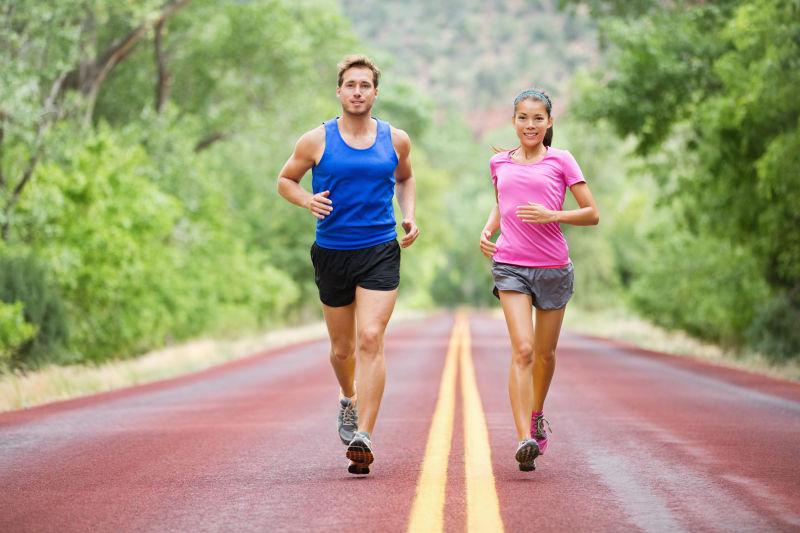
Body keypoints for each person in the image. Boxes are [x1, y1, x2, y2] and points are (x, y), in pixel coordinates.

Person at [277, 55, 419, 475]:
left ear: (376, 92)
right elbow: (285, 180)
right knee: (342, 349)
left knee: (371, 337)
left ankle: (365, 435)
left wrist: (408, 213)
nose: (357, 92)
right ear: (339, 91)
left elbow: (405, 178)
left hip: (379, 248)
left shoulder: (396, 140)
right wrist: (307, 199)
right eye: (350, 85)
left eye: (365, 85)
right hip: (333, 252)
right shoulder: (315, 141)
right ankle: (347, 399)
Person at [479, 89, 599, 472]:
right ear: (513, 121)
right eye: (522, 118)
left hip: (553, 268)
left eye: (537, 119)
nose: (529, 125)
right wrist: (488, 229)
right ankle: (523, 439)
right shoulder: (499, 162)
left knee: (545, 355)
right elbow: (503, 202)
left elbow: (591, 213)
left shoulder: (561, 160)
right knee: (524, 350)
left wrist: (553, 216)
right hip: (511, 264)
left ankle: (536, 413)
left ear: (549, 123)